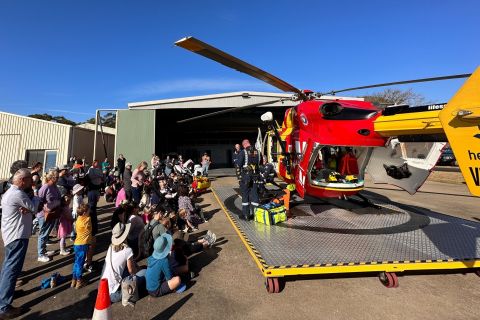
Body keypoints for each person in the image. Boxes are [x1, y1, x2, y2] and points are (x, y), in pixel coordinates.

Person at [0, 169, 34, 319]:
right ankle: (3, 306)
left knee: (9, 267)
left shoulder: (11, 193)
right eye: (29, 180)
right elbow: (34, 206)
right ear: (22, 181)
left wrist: (28, 206)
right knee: (11, 269)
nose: (31, 183)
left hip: (12, 235)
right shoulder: (18, 194)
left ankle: (6, 294)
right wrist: (32, 203)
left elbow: (29, 207)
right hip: (17, 236)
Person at [101, 222, 145, 303]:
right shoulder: (127, 250)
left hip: (104, 289)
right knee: (145, 273)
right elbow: (132, 271)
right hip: (114, 294)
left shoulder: (110, 247)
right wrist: (140, 270)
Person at [37, 169, 62, 262]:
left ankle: (43, 251)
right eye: (57, 177)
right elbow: (39, 200)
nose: (58, 179)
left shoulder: (55, 186)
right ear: (52, 177)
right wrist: (45, 208)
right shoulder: (45, 187)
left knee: (46, 233)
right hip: (45, 214)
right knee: (43, 234)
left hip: (52, 213)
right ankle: (40, 254)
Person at [71, 203, 92, 289]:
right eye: (88, 211)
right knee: (80, 263)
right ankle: (79, 281)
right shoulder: (88, 219)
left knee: (76, 262)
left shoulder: (78, 219)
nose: (89, 212)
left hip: (77, 244)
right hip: (83, 244)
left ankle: (74, 280)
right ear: (84, 213)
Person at [238, 139, 260, 220]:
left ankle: (246, 215)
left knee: (245, 195)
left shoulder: (243, 152)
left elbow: (238, 165)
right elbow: (258, 164)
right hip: (255, 176)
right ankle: (256, 215)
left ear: (244, 145)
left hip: (246, 177)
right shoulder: (257, 152)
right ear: (249, 143)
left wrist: (239, 178)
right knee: (255, 195)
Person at [86, 160, 103, 236]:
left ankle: (94, 224)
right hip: (92, 189)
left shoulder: (98, 169)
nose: (97, 164)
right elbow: (91, 176)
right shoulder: (91, 169)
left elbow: (102, 175)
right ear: (93, 163)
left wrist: (98, 175)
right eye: (96, 163)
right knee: (91, 206)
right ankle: (92, 224)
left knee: (95, 205)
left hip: (97, 189)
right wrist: (98, 175)